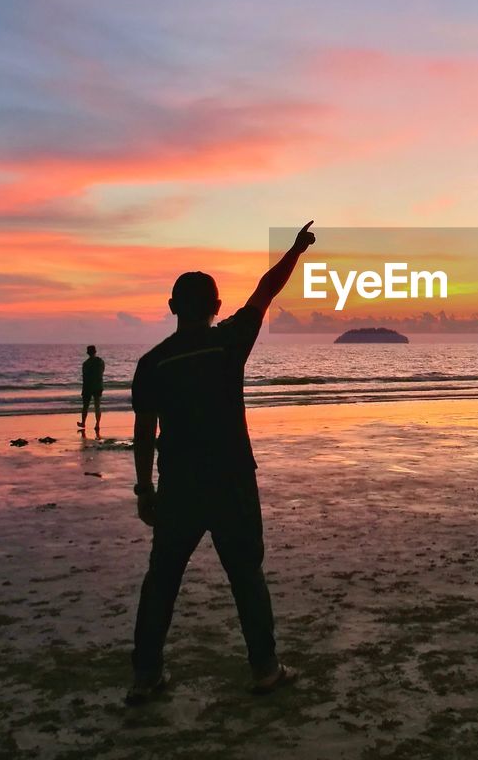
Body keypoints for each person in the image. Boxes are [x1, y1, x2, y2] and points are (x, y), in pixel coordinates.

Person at [126, 221, 315, 706]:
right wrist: (295, 249)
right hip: (231, 480)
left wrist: (144, 490)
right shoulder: (227, 343)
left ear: (172, 308)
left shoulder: (153, 363)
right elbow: (264, 289)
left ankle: (146, 676)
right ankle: (265, 669)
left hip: (179, 487)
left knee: (162, 580)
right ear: (215, 307)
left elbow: (144, 433)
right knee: (246, 574)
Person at [78, 345, 105, 432]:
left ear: (88, 353)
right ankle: (97, 424)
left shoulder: (86, 364)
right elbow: (102, 372)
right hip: (98, 385)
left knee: (85, 406)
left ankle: (83, 422)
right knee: (97, 406)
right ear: (95, 352)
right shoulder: (100, 361)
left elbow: (85, 376)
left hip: (88, 386)